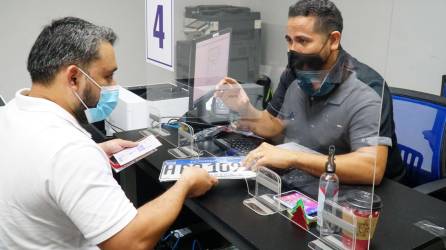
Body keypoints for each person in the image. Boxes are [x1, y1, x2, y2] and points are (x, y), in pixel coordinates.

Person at [0, 17, 217, 249]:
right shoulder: (69, 150)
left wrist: (94, 151)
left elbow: (40, 165)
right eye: (107, 76)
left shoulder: (10, 113)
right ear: (73, 78)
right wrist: (184, 185)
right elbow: (129, 244)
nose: (113, 84)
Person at [215, 0, 404, 185]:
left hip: (369, 198)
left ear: (333, 40)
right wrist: (244, 108)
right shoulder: (295, 73)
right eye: (289, 40)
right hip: (313, 179)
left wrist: (293, 158)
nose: (293, 50)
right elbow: (274, 125)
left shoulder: (367, 88)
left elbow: (370, 169)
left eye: (303, 41)